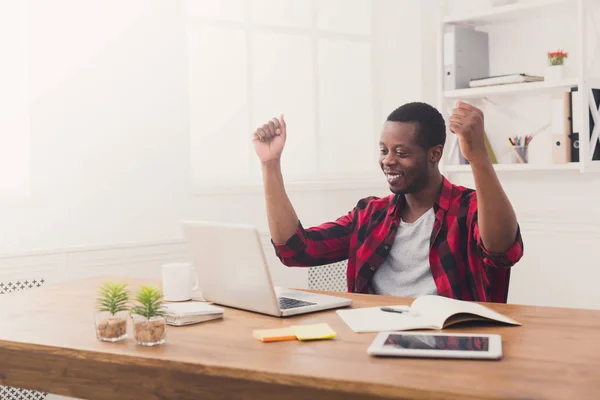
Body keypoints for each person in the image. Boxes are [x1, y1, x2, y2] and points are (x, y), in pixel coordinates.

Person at [252, 101, 523, 303]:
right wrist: (270, 164)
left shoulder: (469, 207)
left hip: (449, 344)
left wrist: (477, 156)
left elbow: (503, 251)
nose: (388, 160)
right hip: (374, 340)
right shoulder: (371, 215)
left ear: (434, 154)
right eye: (383, 150)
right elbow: (296, 250)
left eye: (401, 152)